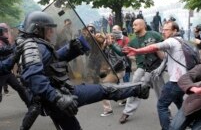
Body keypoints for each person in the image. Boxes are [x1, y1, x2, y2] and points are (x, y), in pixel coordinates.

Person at [16, 11, 150, 130]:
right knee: (105, 90)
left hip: (56, 97)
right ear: (37, 29)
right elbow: (33, 78)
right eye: (48, 29)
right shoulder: (33, 48)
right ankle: (138, 89)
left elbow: (52, 62)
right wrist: (58, 98)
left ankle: (137, 89)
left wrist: (71, 49)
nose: (52, 32)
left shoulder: (36, 45)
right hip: (59, 96)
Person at [123, 21, 187, 130]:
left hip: (175, 79)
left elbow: (158, 50)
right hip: (147, 69)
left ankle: (170, 124)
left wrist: (142, 50)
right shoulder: (180, 41)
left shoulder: (170, 40)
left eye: (166, 30)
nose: (163, 31)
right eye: (163, 29)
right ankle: (189, 119)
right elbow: (166, 58)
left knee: (162, 102)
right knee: (177, 100)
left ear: (175, 31)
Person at [119, 19, 165, 124]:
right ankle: (127, 111)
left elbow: (165, 47)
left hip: (155, 68)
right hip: (141, 67)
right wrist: (112, 44)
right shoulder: (133, 41)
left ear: (143, 25)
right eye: (133, 25)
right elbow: (123, 53)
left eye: (135, 25)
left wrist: (158, 51)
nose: (133, 27)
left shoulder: (154, 35)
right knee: (135, 83)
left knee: (160, 90)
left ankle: (166, 112)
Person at [0, 23, 30, 105]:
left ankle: (31, 105)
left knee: (20, 88)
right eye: (4, 31)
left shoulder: (4, 41)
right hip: (1, 73)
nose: (6, 33)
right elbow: (5, 50)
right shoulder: (1, 42)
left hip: (7, 72)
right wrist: (17, 45)